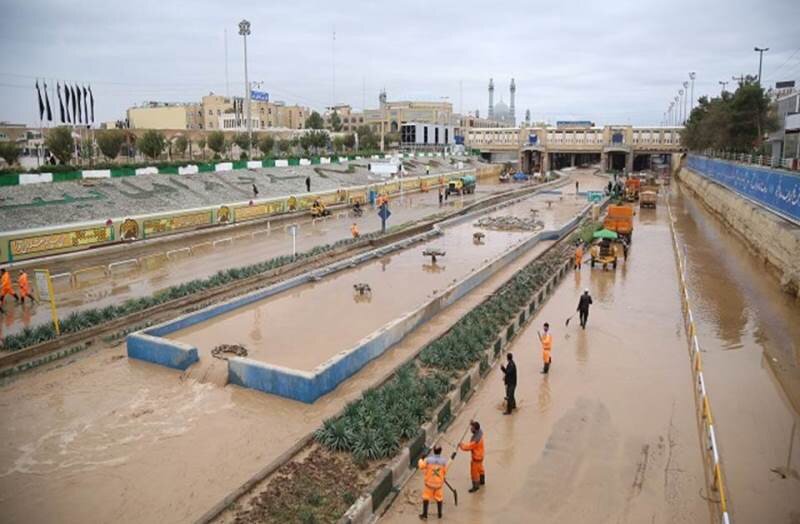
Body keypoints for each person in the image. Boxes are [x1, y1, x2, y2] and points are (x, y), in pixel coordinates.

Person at [418, 445, 448, 520]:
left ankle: (425, 515)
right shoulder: (444, 461)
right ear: (441, 451)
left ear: (434, 451)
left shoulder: (428, 460)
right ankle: (440, 514)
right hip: (438, 485)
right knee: (439, 498)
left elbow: (421, 466)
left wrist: (421, 459)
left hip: (429, 484)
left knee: (426, 498)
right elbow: (445, 471)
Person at [455, 420, 485, 493]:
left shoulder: (475, 441)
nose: (471, 429)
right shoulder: (480, 433)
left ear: (475, 429)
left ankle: (475, 486)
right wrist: (472, 423)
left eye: (472, 428)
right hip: (481, 456)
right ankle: (482, 481)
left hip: (476, 458)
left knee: (474, 473)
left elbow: (467, 447)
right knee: (481, 469)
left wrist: (461, 445)